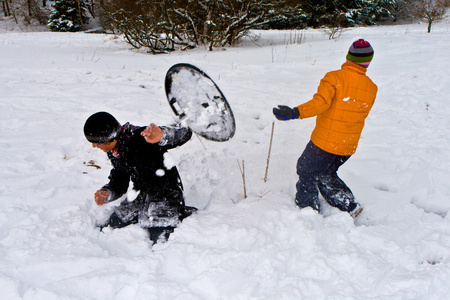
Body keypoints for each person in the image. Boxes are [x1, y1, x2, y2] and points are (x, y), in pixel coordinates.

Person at [273, 39, 378, 218]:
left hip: (326, 142)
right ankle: (349, 205)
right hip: (348, 146)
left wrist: (294, 112)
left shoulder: (334, 78)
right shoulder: (371, 88)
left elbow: (320, 104)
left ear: (348, 56)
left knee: (306, 168)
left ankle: (308, 210)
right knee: (326, 172)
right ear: (368, 61)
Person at [84, 111, 196, 244]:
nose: (94, 146)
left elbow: (183, 132)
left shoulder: (141, 136)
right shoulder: (116, 151)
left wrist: (162, 135)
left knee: (160, 239)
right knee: (113, 223)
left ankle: (182, 213)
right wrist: (109, 192)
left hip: (165, 196)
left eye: (96, 142)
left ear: (109, 137)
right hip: (139, 196)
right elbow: (120, 178)